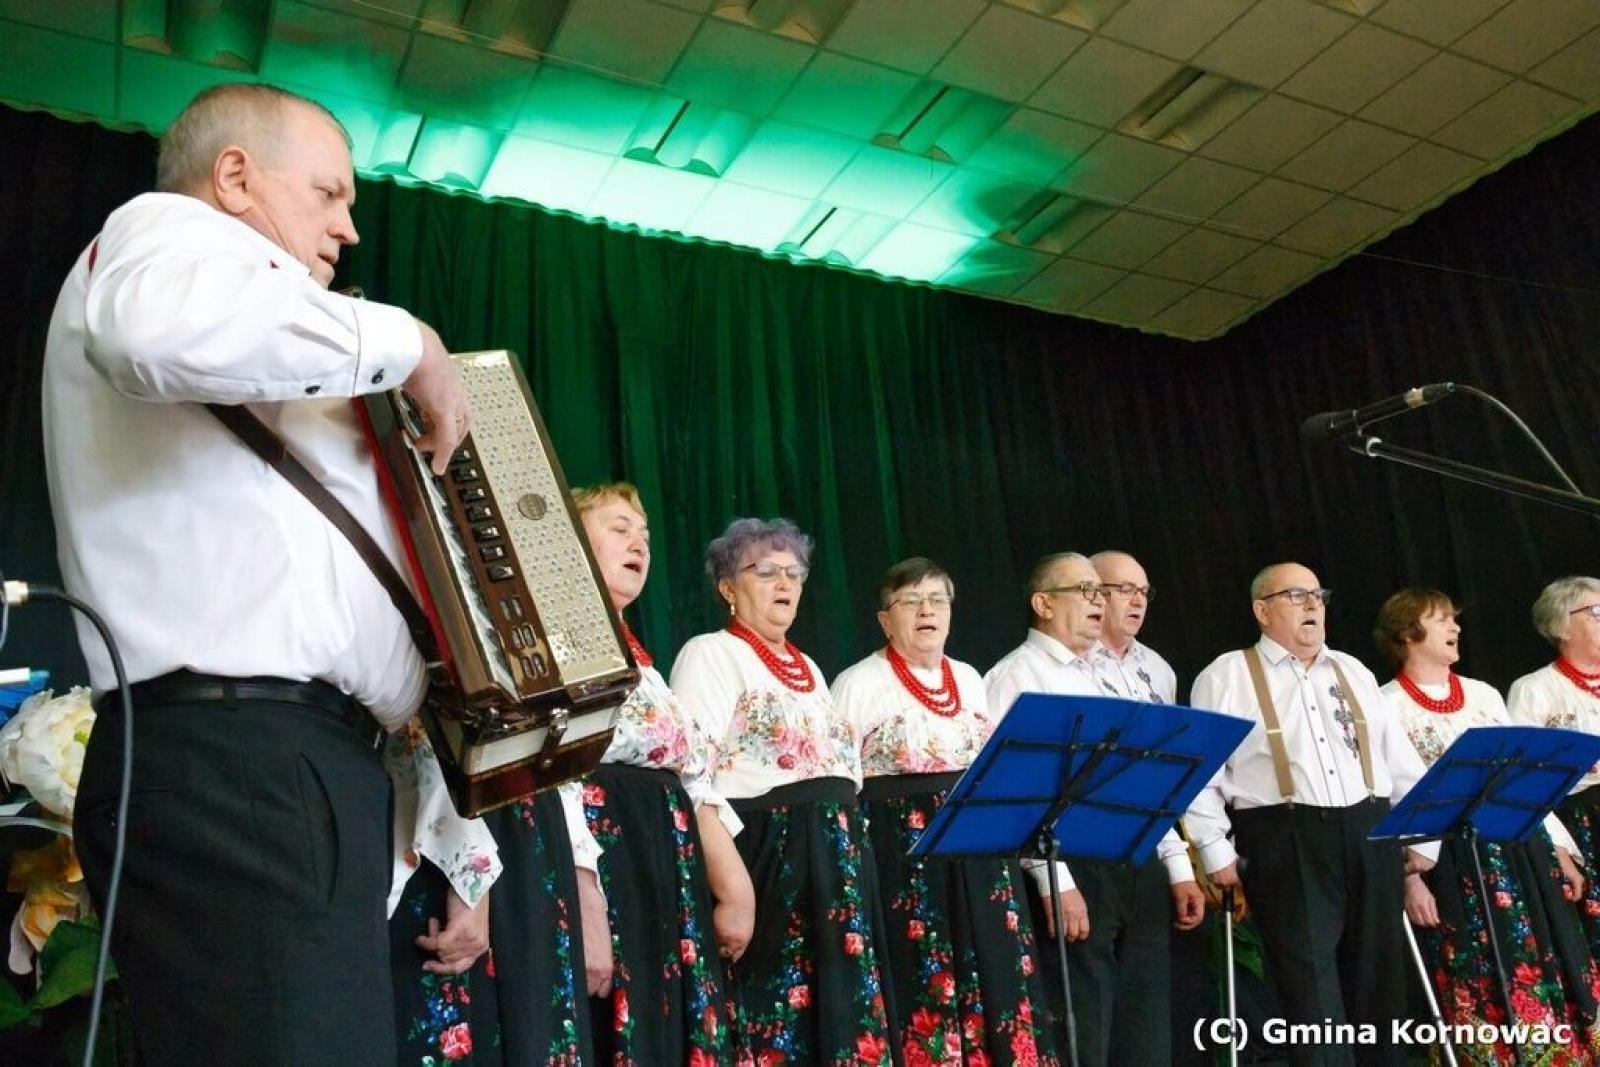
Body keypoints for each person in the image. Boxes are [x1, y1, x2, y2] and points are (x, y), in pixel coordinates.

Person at [43, 82, 476, 1062]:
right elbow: (153, 331)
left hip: (280, 765)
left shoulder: (267, 319)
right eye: (328, 193)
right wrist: (411, 344)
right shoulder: (166, 232)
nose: (348, 228)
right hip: (239, 759)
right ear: (235, 176)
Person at [1187, 562, 1437, 1067]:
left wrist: (1420, 836)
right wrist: (1214, 850)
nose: (1311, 605)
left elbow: (1397, 758)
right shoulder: (1227, 675)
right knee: (1309, 989)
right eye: (1295, 595)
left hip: (1368, 828)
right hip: (1285, 834)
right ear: (1262, 611)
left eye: (1317, 595)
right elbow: (1199, 773)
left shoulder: (1351, 669)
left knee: (1380, 982)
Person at [670, 518, 897, 1065]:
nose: (784, 583)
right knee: (778, 1029)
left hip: (836, 867)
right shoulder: (709, 654)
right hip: (770, 863)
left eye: (793, 572)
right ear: (727, 587)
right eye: (765, 571)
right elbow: (691, 778)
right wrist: (733, 890)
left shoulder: (810, 669)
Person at [833, 557, 1057, 1067]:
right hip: (905, 860)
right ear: (885, 619)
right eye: (910, 601)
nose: (926, 610)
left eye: (937, 599)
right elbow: (842, 781)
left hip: (983, 857)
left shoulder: (970, 677)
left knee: (999, 979)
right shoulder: (858, 682)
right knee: (926, 983)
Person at [984, 552, 1202, 1066]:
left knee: (1146, 1022)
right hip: (1073, 866)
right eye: (1084, 591)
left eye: (1098, 593)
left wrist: (1175, 862)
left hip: (1135, 855)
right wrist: (1053, 879)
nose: (1097, 602)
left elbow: (1145, 782)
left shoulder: (1101, 674)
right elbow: (1014, 789)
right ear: (1042, 603)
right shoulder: (1015, 675)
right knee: (1085, 1022)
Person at [1375, 587, 1600, 1062]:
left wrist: (1560, 848)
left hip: (1519, 847)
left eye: (1454, 619)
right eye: (1441, 620)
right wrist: (1411, 879)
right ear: (1408, 632)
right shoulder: (1384, 703)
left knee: (1546, 949)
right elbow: (1394, 795)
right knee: (1474, 963)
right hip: (1451, 858)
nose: (1455, 628)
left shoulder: (1483, 694)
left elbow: (1529, 779)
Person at [572, 482, 748, 1065]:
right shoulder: (562, 644)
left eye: (644, 535)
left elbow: (692, 780)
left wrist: (734, 888)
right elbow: (554, 780)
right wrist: (587, 900)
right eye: (619, 529)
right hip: (608, 861)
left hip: (663, 872)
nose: (638, 544)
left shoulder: (645, 666)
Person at [1508, 576, 1600, 959]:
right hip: (1582, 820)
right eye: (1596, 612)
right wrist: (1559, 848)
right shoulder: (1534, 689)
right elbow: (1523, 777)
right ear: (1563, 626)